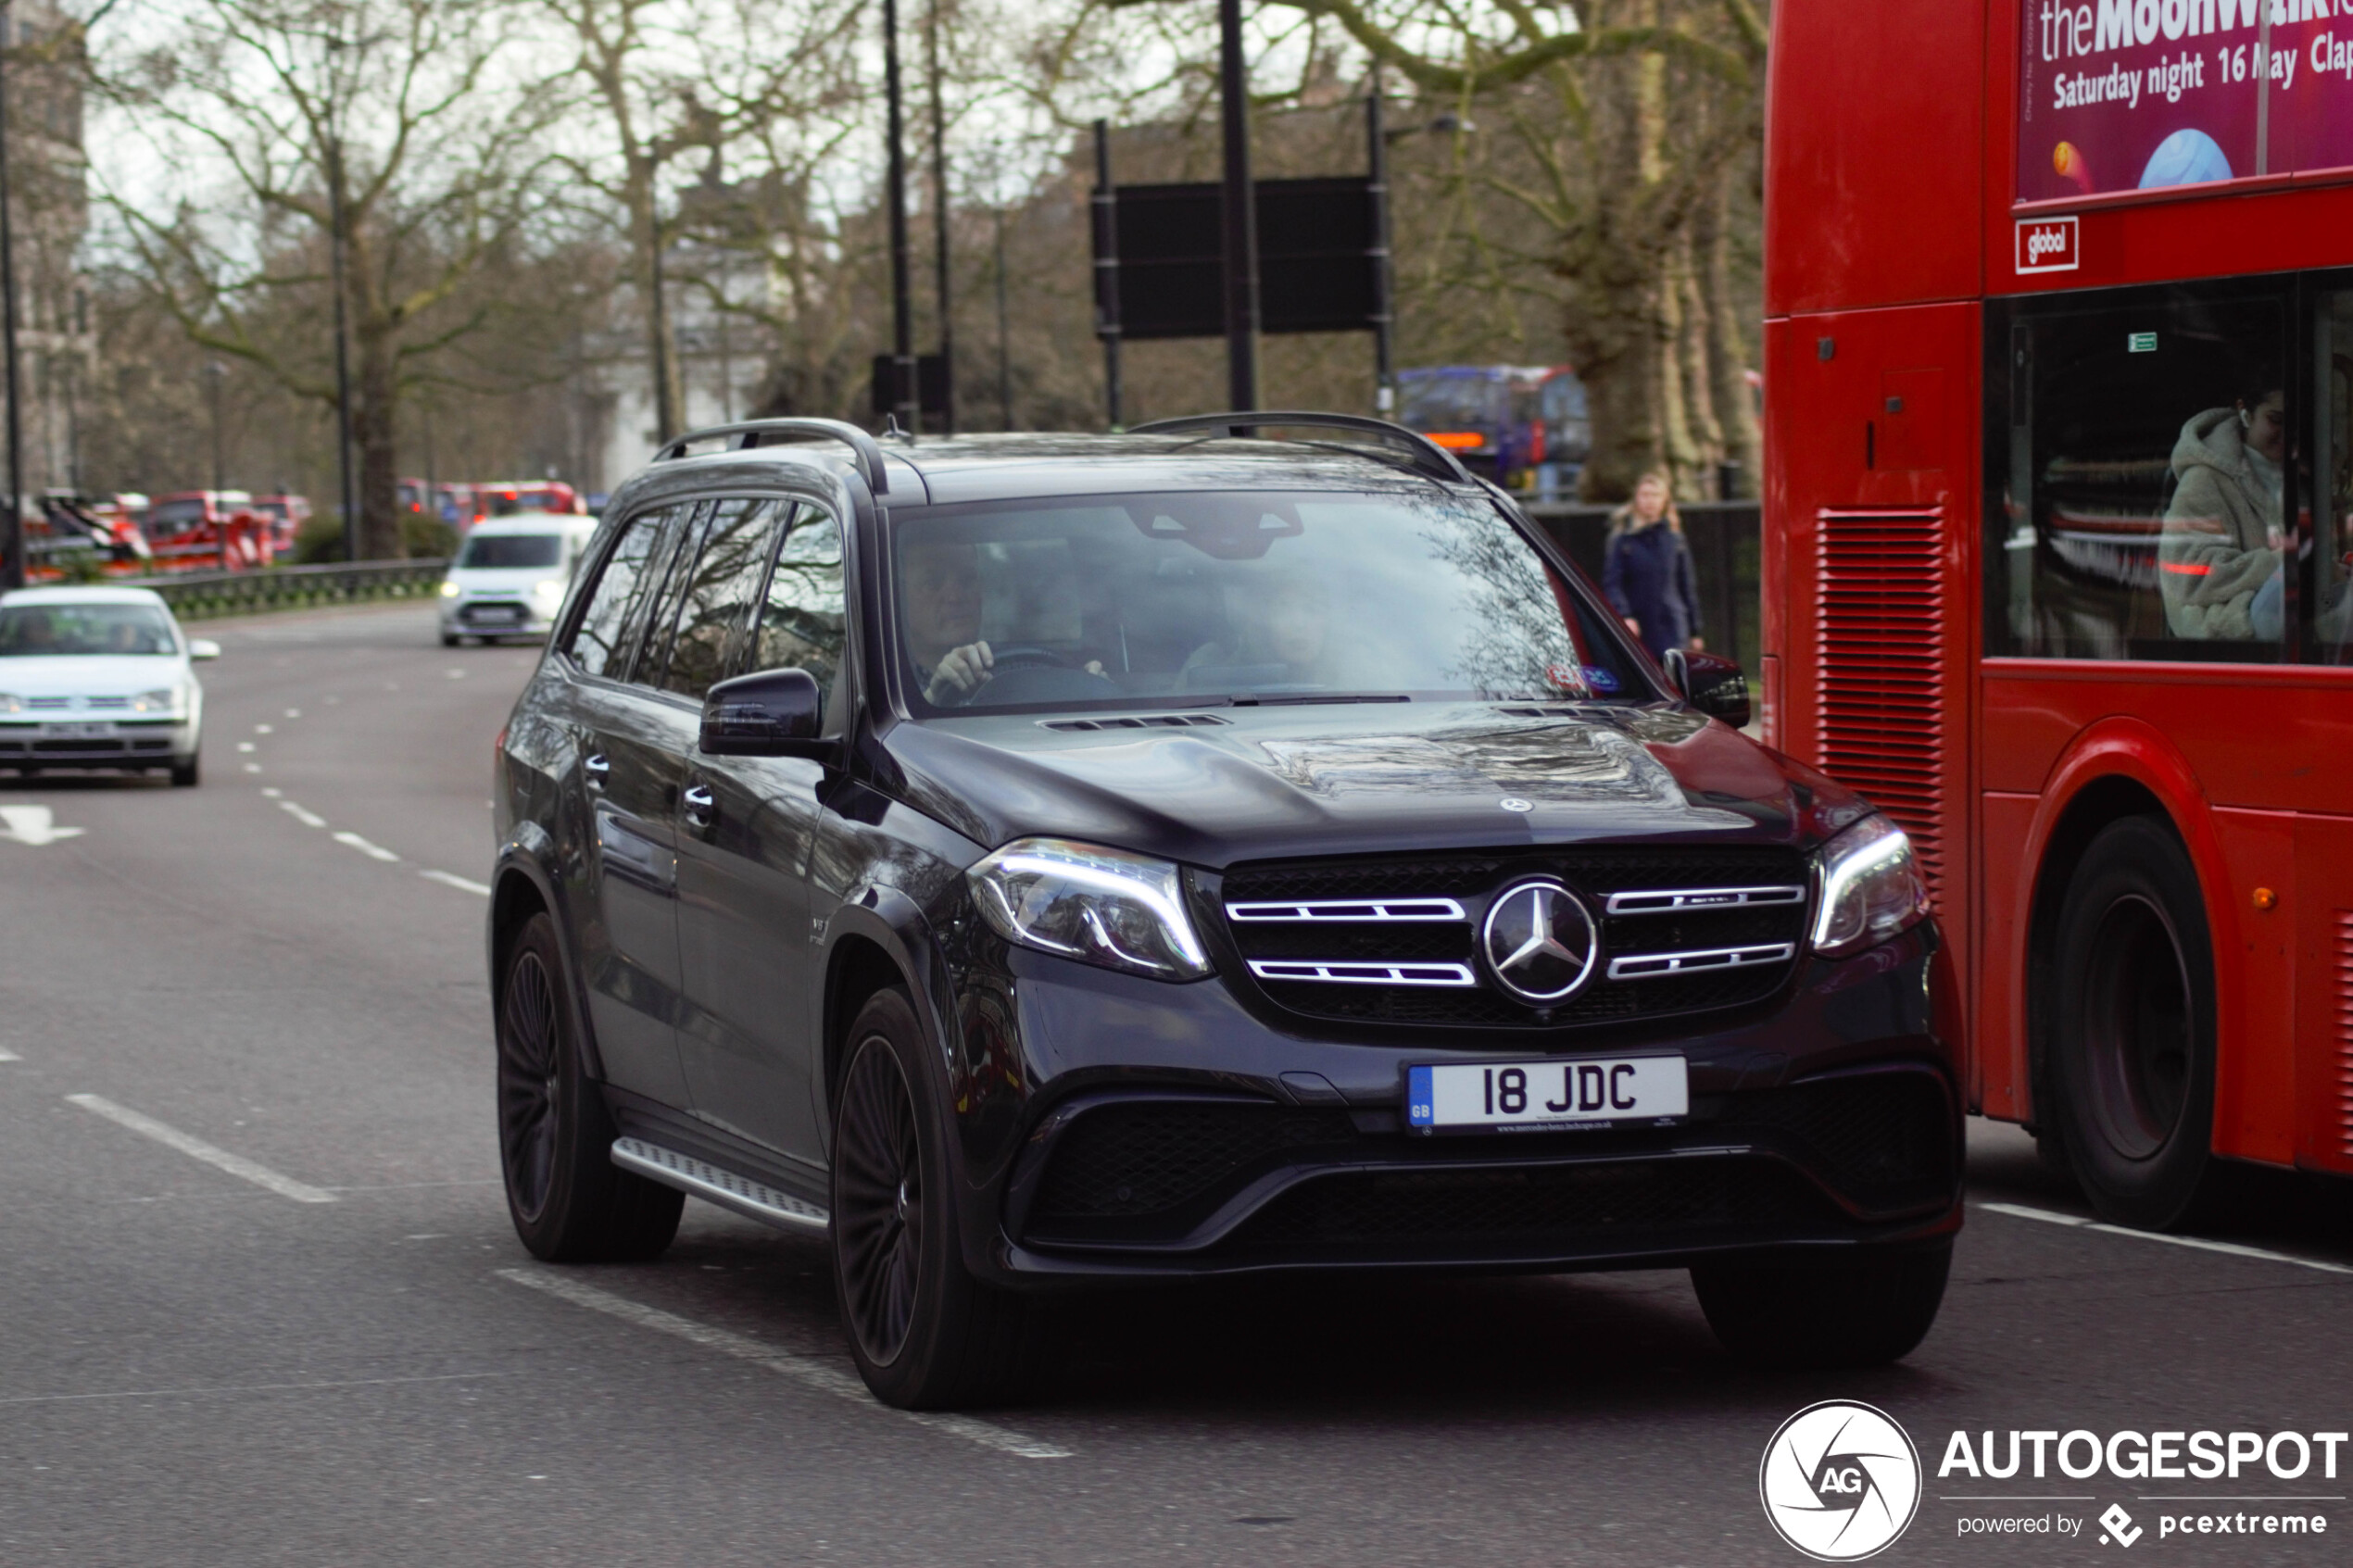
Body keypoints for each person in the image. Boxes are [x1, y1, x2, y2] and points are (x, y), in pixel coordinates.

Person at [2158, 384, 2285, 642]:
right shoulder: (2204, 480)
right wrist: (2287, 564)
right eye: (2276, 420)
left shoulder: (2303, 478)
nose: (2288, 433)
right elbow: (2190, 576)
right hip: (2229, 648)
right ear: (2245, 413)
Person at [1601, 470, 1704, 664]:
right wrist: (1625, 615)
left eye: (1655, 495)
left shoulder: (1675, 541)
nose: (1650, 501)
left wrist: (1695, 630)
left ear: (1665, 501)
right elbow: (1613, 583)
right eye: (1645, 495)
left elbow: (1686, 586)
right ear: (1636, 500)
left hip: (1672, 627)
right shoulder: (1622, 541)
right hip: (1637, 627)